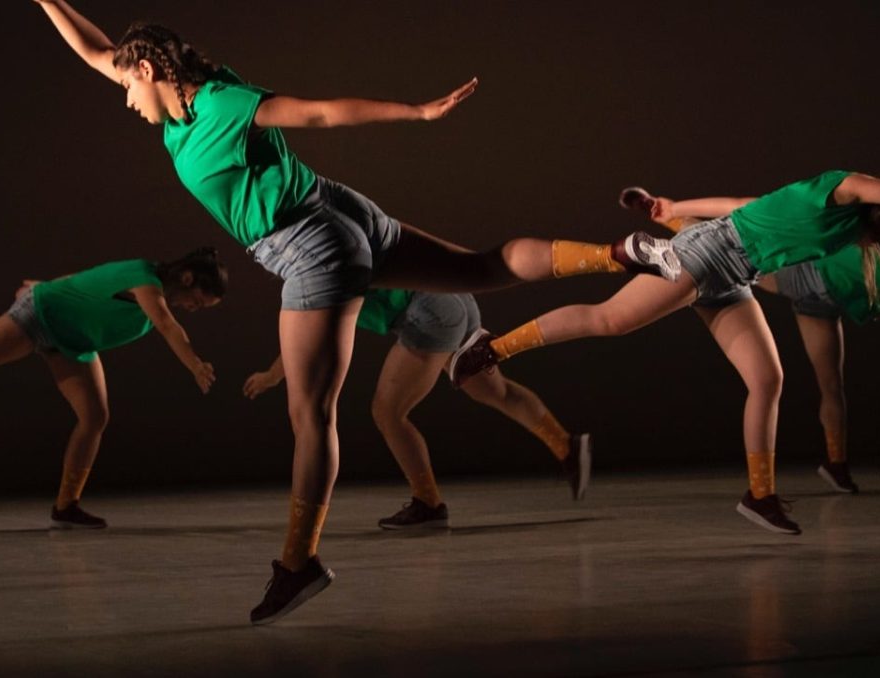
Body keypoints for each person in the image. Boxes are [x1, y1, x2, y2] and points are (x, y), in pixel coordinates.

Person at [33, 0, 677, 623]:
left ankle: (299, 562)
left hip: (309, 244)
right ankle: (618, 253)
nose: (121, 94)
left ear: (148, 70)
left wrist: (416, 112)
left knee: (311, 414)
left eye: (127, 83)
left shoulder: (225, 104)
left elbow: (316, 113)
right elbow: (94, 50)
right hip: (345, 212)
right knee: (483, 268)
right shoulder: (180, 100)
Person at [451, 170, 880, 536]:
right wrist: (674, 215)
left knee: (767, 380)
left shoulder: (850, 226)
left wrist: (670, 207)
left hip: (735, 273)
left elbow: (739, 200)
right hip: (706, 254)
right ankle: (489, 349)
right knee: (611, 320)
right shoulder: (841, 185)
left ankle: (761, 495)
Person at [620, 185, 880, 495]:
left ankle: (836, 465)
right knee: (731, 252)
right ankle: (662, 213)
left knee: (831, 384)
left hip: (821, 304)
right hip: (805, 274)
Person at [0, 247, 226, 528]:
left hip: (71, 343)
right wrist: (196, 365)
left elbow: (85, 281)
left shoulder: (151, 295)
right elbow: (169, 327)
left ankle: (66, 506)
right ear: (187, 278)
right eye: (197, 301)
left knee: (94, 417)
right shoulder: (144, 280)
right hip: (40, 315)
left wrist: (48, 282)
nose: (193, 308)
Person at [243, 288, 593, 529]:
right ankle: (566, 445)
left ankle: (428, 503)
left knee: (387, 411)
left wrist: (272, 375)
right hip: (454, 302)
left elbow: (312, 337)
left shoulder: (321, 268)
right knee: (494, 391)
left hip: (430, 313)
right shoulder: (347, 235)